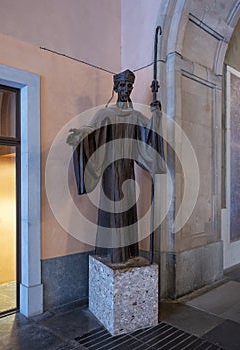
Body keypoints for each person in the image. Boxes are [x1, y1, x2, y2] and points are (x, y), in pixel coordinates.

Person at [67, 69, 166, 263]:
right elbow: (91, 130)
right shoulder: (106, 114)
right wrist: (79, 135)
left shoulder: (136, 117)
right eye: (122, 85)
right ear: (115, 87)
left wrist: (157, 116)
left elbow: (150, 135)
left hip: (128, 171)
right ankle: (114, 254)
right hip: (111, 171)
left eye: (129, 86)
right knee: (114, 209)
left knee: (128, 209)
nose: (126, 89)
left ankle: (127, 252)